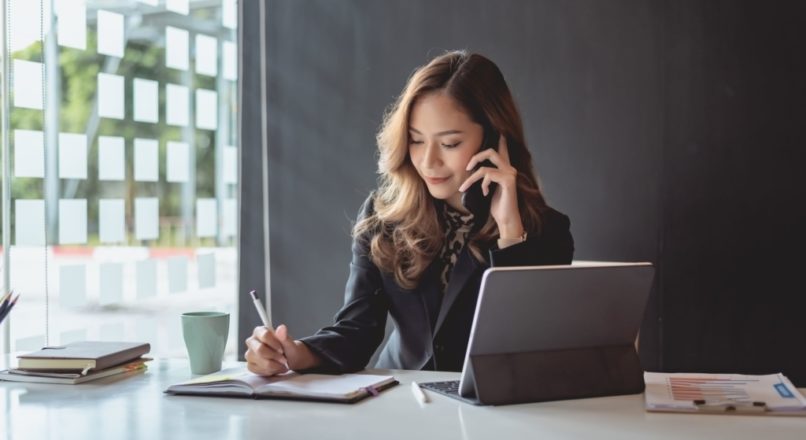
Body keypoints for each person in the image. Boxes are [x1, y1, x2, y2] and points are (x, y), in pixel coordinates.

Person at [245, 50, 574, 376]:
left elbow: (527, 350)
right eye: (416, 141)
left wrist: (509, 233)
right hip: (400, 404)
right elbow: (356, 331)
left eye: (449, 144)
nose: (428, 162)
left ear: (493, 140)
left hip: (489, 415)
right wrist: (294, 353)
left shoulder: (547, 230)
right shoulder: (383, 217)